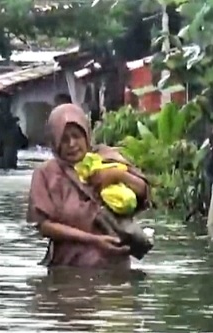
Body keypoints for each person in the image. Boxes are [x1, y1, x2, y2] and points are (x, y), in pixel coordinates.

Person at [27, 103, 151, 269]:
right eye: (64, 139)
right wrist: (94, 240)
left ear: (86, 135)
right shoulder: (46, 174)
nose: (72, 144)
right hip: (69, 269)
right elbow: (44, 226)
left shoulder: (107, 159)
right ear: (55, 143)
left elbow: (144, 191)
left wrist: (116, 175)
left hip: (116, 268)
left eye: (76, 136)